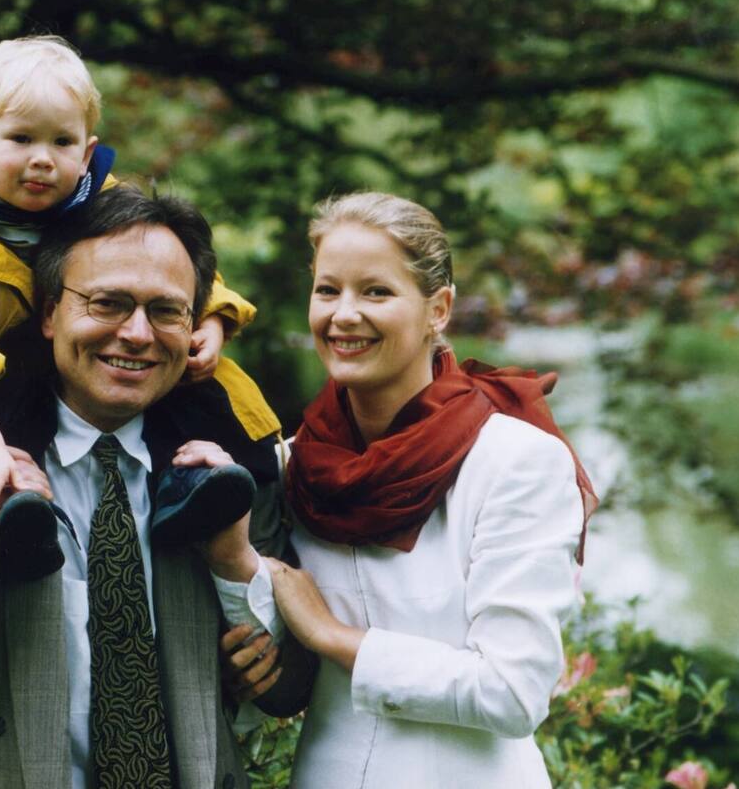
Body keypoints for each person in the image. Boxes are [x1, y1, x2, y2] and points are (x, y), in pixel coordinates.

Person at [0, 187, 300, 789]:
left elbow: (293, 685)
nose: (138, 334)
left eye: (167, 311)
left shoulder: (233, 457)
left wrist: (235, 565)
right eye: (107, 303)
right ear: (48, 312)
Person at [0, 35, 281, 558]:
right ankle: (21, 519)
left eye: (62, 143)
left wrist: (211, 320)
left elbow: (178, 270)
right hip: (13, 375)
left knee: (205, 388)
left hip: (103, 369)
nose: (43, 160)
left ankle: (188, 493)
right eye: (21, 139)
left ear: (87, 150)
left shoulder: (105, 199)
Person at [224, 192, 598, 788]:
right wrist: (258, 661)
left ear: (438, 309)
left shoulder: (514, 462)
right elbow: (286, 665)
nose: (343, 314)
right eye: (328, 290)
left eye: (376, 292)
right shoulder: (291, 463)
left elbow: (513, 693)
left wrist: (332, 637)